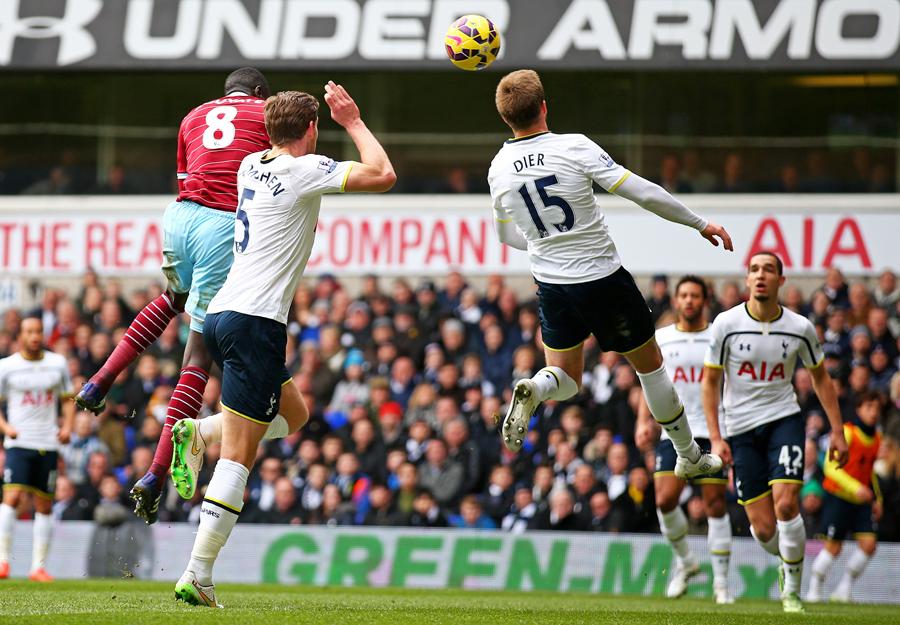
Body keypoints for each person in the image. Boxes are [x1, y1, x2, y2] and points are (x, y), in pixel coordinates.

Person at [173, 82, 395, 607]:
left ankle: (201, 431)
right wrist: (353, 121)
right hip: (255, 322)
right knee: (240, 458)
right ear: (312, 129)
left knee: (295, 416)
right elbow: (383, 174)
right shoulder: (304, 170)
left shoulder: (251, 164)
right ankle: (198, 573)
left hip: (222, 314)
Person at [487, 70, 732, 481]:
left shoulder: (498, 168)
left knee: (566, 379)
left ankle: (536, 387)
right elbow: (642, 192)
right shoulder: (573, 146)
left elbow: (505, 235)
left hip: (552, 285)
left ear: (505, 117)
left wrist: (547, 245)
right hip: (601, 278)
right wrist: (699, 223)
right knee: (650, 367)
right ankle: (688, 454)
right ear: (544, 106)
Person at [75, 68, 275, 523]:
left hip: (181, 217)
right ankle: (156, 472)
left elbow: (188, 176)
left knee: (171, 299)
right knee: (198, 352)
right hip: (222, 221)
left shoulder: (193, 116)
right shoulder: (267, 113)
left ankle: (99, 380)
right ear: (259, 92)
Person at [702, 251, 849, 614]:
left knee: (786, 504)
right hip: (740, 429)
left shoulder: (800, 327)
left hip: (784, 419)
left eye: (768, 269)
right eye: (754, 269)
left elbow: (820, 379)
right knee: (765, 529)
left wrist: (837, 431)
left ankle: (793, 593)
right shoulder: (725, 324)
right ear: (747, 279)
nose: (761, 275)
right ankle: (787, 560)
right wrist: (717, 437)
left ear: (781, 280)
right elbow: (710, 382)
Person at [634, 276, 733, 604]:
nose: (689, 300)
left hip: (712, 429)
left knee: (715, 504)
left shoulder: (717, 337)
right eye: (684, 295)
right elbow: (649, 383)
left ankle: (721, 584)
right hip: (673, 431)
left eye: (695, 296)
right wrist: (643, 421)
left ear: (705, 301)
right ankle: (686, 561)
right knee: (664, 500)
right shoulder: (661, 338)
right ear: (676, 301)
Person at [0, 317, 75, 581]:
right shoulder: (7, 366)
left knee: (44, 503)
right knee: (12, 497)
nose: (34, 336)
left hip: (47, 442)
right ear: (20, 336)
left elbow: (68, 399)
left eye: (38, 331)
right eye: (29, 331)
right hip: (19, 442)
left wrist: (67, 427)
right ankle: (3, 562)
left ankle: (38, 567)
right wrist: (5, 427)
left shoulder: (57, 363)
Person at [807, 390, 882, 603]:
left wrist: (878, 499)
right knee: (833, 547)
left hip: (861, 501)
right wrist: (855, 488)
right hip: (838, 497)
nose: (873, 413)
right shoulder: (847, 433)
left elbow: (870, 472)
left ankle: (843, 589)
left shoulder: (877, 439)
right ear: (858, 409)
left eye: (877, 408)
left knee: (869, 545)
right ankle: (814, 589)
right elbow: (830, 467)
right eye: (869, 407)